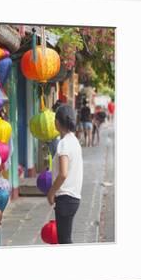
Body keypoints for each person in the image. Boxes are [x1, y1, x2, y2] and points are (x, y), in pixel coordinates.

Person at [47, 104, 83, 244]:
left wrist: (51, 192)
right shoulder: (74, 141)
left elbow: (63, 173)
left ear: (57, 122)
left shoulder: (64, 143)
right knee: (65, 238)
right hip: (73, 197)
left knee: (64, 241)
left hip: (65, 198)